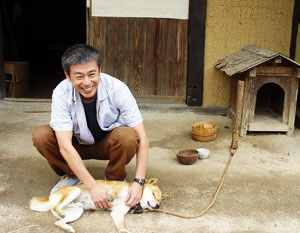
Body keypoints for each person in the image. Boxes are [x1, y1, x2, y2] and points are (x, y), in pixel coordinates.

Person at [32, 44, 149, 209]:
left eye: (92, 74)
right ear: (67, 75)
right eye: (79, 76)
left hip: (107, 144)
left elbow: (143, 139)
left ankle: (114, 180)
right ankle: (73, 176)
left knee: (128, 136)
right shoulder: (61, 93)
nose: (87, 82)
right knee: (41, 136)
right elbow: (65, 146)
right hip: (76, 145)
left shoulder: (118, 89)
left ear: (100, 70)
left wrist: (139, 182)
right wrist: (92, 187)